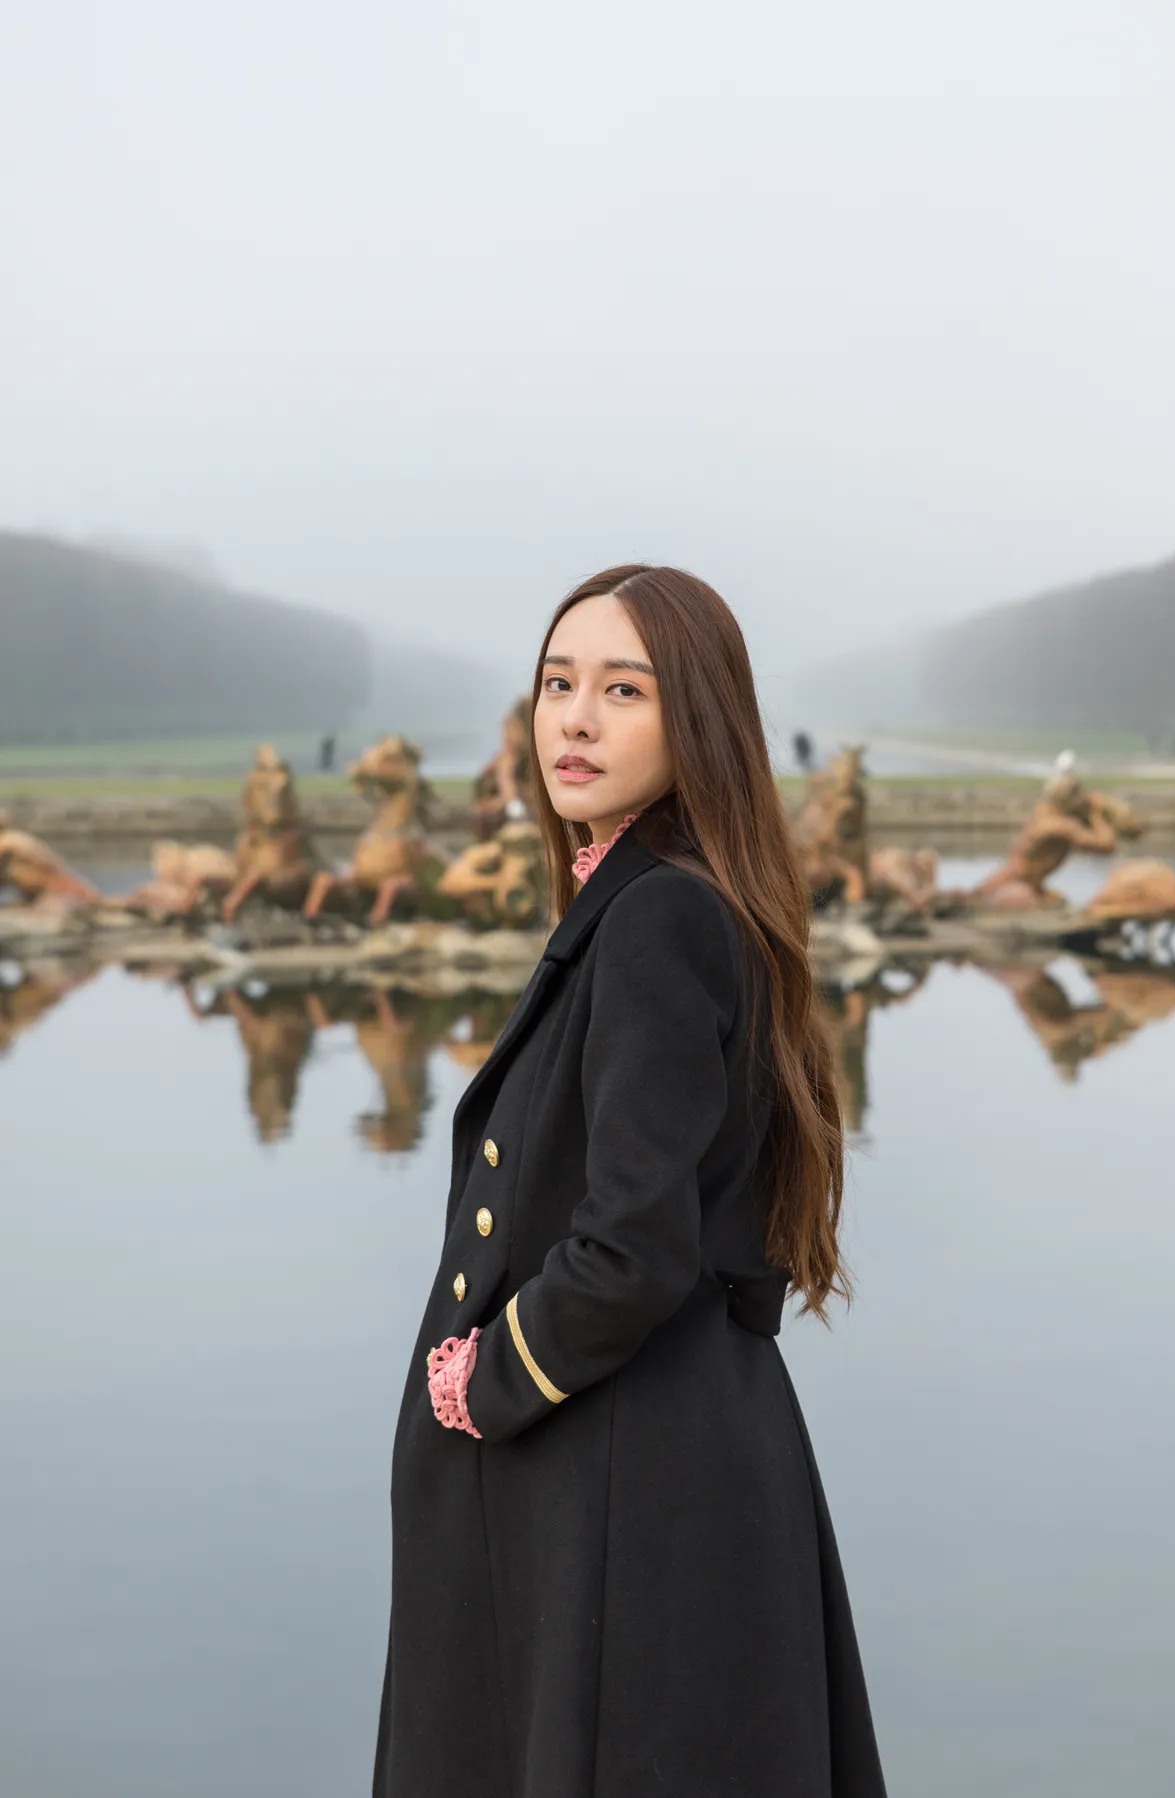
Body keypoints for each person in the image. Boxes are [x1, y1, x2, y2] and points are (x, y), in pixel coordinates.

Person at [373, 565, 886, 1798]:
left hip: (618, 1488)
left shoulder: (657, 916)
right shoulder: (674, 900)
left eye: (622, 690)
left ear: (695, 719)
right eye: (558, 684)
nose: (575, 720)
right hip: (656, 1469)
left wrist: (485, 1380)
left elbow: (634, 1245)